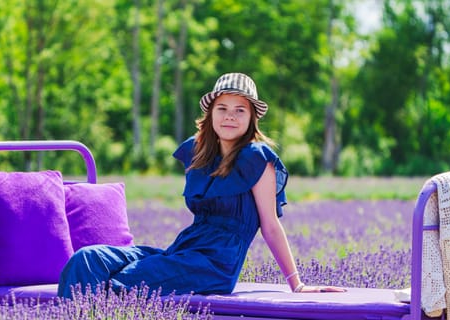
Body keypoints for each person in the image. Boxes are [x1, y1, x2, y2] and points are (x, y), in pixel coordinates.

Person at [58, 72, 344, 299]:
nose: (230, 115)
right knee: (88, 259)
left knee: (126, 282)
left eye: (239, 110)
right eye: (222, 108)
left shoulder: (258, 158)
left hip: (216, 265)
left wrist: (297, 283)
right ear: (211, 114)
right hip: (183, 251)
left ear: (251, 118)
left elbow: (270, 224)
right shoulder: (199, 153)